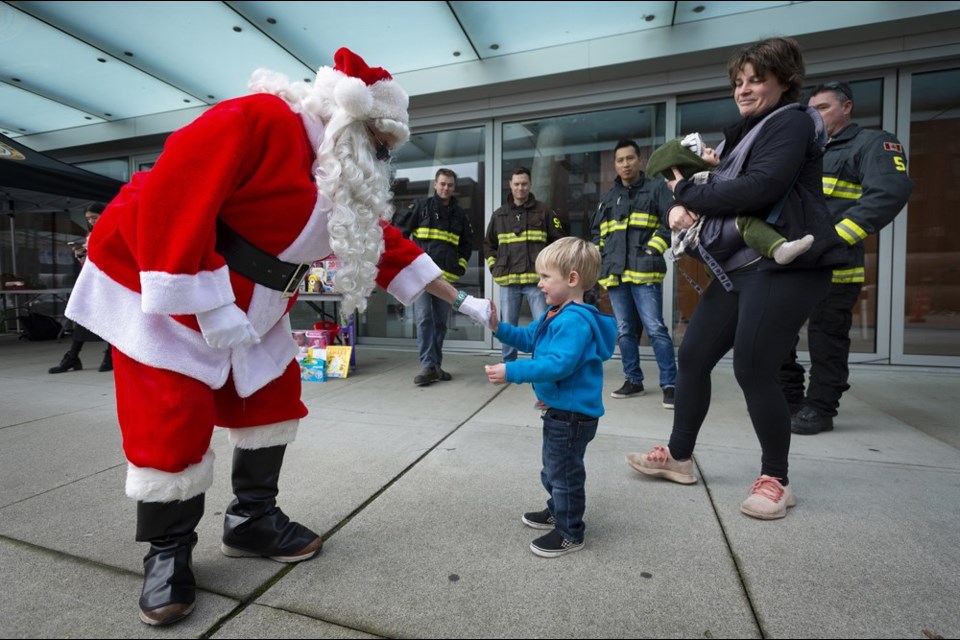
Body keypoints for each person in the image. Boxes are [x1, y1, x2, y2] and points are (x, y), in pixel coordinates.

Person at [65, 47, 491, 627]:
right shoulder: (257, 120)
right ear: (350, 121)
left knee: (270, 396)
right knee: (171, 413)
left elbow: (383, 243)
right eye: (382, 146)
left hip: (257, 302)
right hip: (164, 283)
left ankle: (251, 520)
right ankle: (167, 551)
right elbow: (173, 191)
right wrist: (205, 304)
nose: (384, 160)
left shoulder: (338, 173)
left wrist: (464, 300)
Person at [625, 36, 847, 520]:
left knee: (752, 367)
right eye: (738, 82)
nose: (744, 90)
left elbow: (761, 188)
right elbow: (726, 188)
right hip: (740, 270)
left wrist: (687, 192)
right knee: (694, 355)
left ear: (785, 81)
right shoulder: (746, 132)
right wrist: (690, 197)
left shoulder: (788, 121)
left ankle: (776, 479)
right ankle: (680, 458)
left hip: (784, 265)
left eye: (756, 80)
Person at [783, 81, 914, 435]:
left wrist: (835, 239)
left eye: (823, 108)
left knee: (827, 341)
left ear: (847, 107)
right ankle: (789, 398)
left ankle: (820, 409)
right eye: (812, 110)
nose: (817, 116)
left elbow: (889, 191)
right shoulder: (807, 149)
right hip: (793, 265)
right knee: (778, 336)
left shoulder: (871, 144)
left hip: (834, 267)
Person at [483, 237, 616, 557]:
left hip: (572, 415)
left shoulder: (574, 321)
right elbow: (529, 338)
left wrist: (511, 371)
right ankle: (558, 509)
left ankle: (570, 532)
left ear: (572, 280)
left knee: (564, 472)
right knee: (554, 467)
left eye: (545, 277)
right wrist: (497, 326)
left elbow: (559, 364)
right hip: (560, 410)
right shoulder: (555, 313)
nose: (539, 283)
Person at [592, 139, 678, 408]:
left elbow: (670, 223)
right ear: (615, 165)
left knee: (656, 329)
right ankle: (633, 380)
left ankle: (670, 384)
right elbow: (597, 232)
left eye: (630, 158)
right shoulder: (608, 197)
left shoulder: (657, 189)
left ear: (639, 160)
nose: (625, 164)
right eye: (620, 160)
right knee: (625, 330)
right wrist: (602, 257)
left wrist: (653, 250)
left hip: (645, 272)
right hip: (615, 275)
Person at [648, 134, 814, 265]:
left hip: (706, 241)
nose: (712, 150)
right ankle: (779, 249)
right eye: (704, 152)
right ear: (692, 164)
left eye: (708, 148)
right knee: (744, 221)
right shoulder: (699, 180)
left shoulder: (696, 181)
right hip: (706, 236)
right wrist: (673, 207)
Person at [392, 168, 473, 386]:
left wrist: (459, 268)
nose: (446, 188)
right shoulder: (420, 207)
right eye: (442, 184)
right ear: (435, 185)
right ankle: (428, 365)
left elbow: (466, 245)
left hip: (445, 279)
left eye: (450, 185)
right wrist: (407, 263)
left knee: (439, 322)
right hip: (421, 278)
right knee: (425, 319)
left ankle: (436, 365)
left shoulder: (459, 215)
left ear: (454, 188)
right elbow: (398, 233)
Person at [484, 166, 566, 363]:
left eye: (524, 184)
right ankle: (509, 364)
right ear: (510, 185)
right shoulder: (499, 215)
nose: (520, 188)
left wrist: (549, 271)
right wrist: (495, 267)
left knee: (542, 324)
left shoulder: (544, 211)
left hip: (536, 282)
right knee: (508, 326)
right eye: (517, 184)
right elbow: (489, 245)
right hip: (509, 281)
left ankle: (542, 361)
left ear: (530, 185)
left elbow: (559, 242)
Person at [48, 202, 113, 374]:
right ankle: (74, 356)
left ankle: (103, 356)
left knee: (109, 319)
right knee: (84, 317)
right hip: (94, 281)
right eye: (88, 218)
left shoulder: (113, 229)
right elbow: (90, 263)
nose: (91, 221)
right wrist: (82, 255)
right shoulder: (92, 234)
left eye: (94, 217)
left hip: (109, 282)